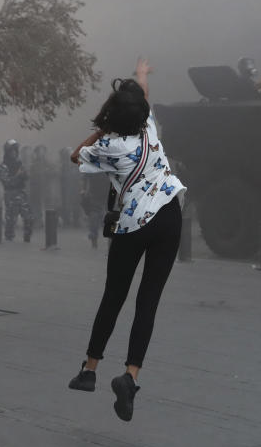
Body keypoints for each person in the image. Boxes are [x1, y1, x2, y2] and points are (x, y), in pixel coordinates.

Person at [68, 57, 186, 422]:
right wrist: (141, 77)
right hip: (169, 216)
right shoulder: (150, 127)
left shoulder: (109, 146)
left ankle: (89, 369)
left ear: (113, 116)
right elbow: (142, 100)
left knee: (114, 295)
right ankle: (130, 377)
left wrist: (101, 128)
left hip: (134, 224)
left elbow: (76, 155)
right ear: (142, 113)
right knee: (147, 301)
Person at [0, 140, 32, 241]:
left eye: (15, 151)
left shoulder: (19, 164)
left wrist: (24, 175)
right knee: (11, 219)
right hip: (11, 194)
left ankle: (27, 236)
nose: (14, 153)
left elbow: (26, 177)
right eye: (11, 151)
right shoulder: (3, 166)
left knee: (28, 217)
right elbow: (7, 182)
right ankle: (9, 237)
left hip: (21, 192)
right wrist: (18, 175)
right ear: (7, 152)